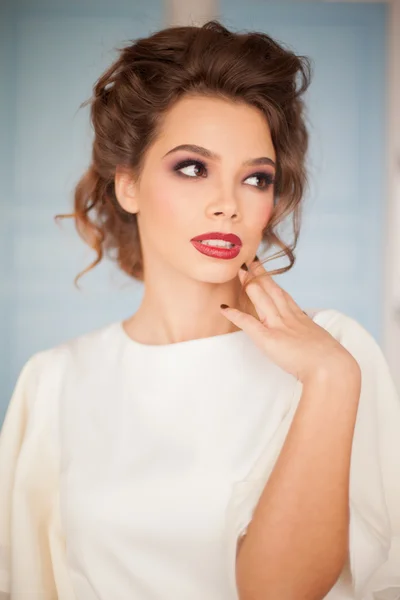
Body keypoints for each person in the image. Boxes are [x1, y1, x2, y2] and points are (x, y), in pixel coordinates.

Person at [0, 19, 399, 600]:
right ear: (129, 185)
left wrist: (330, 379)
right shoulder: (56, 381)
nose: (227, 205)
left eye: (256, 179)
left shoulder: (337, 353)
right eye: (193, 168)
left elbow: (278, 591)